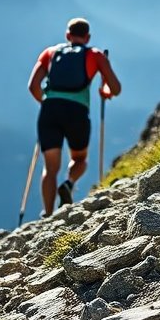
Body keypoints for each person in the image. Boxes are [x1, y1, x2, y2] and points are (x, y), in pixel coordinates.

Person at [28, 18, 122, 217]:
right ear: (87, 37)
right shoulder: (95, 55)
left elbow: (33, 86)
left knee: (50, 167)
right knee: (79, 159)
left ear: (67, 35)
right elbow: (115, 88)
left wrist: (46, 103)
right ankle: (69, 183)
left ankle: (47, 214)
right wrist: (105, 91)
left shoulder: (50, 53)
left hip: (50, 110)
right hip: (77, 112)